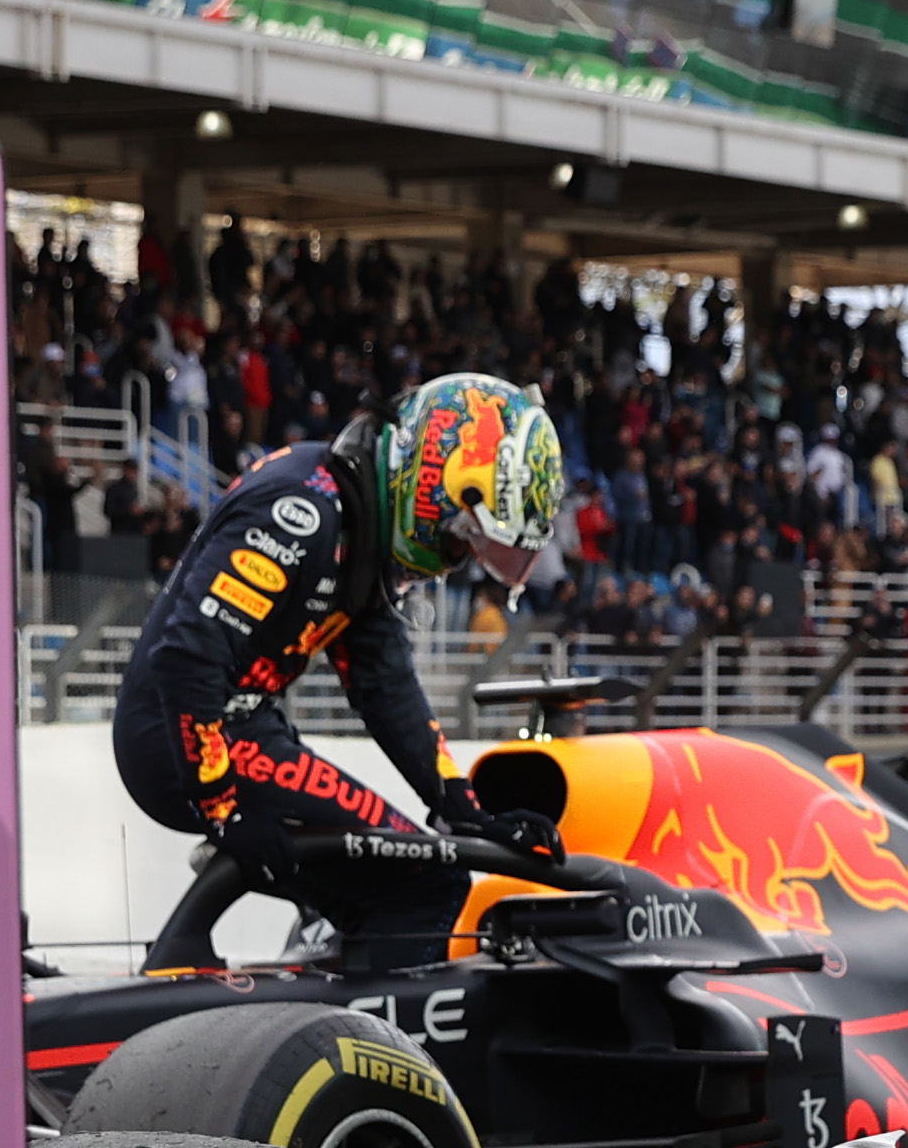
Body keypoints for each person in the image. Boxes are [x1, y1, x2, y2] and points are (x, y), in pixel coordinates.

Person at [112, 368, 569, 972]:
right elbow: (187, 659)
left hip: (241, 728)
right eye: (464, 540)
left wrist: (463, 807)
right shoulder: (299, 511)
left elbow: (382, 682)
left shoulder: (361, 519)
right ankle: (363, 1052)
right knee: (425, 885)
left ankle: (325, 999)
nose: (457, 561)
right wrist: (225, 810)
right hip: (181, 738)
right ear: (437, 488)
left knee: (412, 873)